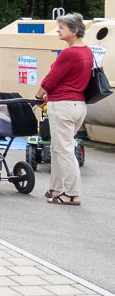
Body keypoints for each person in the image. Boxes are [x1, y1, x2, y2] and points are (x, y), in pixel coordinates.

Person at [36, 13, 93, 206]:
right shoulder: (86, 51)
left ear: (75, 30)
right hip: (78, 105)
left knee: (65, 150)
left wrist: (38, 96)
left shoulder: (69, 53)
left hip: (63, 106)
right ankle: (56, 187)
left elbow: (50, 80)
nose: (58, 30)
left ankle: (72, 193)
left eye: (62, 27)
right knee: (58, 148)